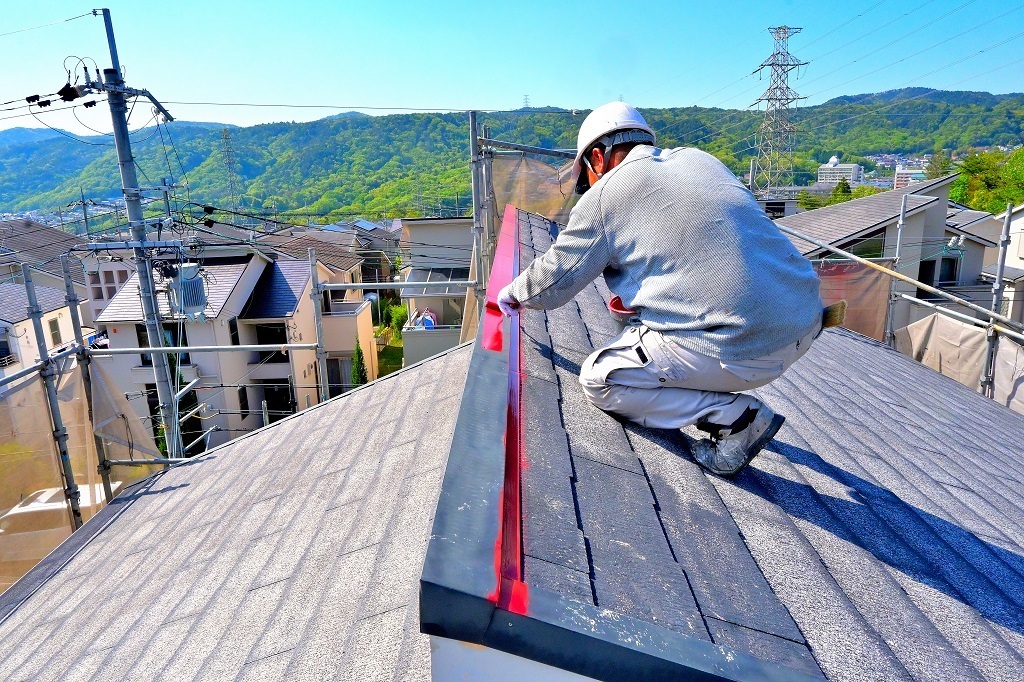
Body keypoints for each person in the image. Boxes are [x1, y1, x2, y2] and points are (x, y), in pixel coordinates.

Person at [496, 102, 826, 477]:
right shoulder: (700, 161)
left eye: (588, 176)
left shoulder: (607, 194)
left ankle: (737, 418)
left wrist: (514, 293)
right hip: (803, 319)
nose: (590, 185)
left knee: (603, 378)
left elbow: (554, 283)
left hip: (744, 347)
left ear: (598, 157)